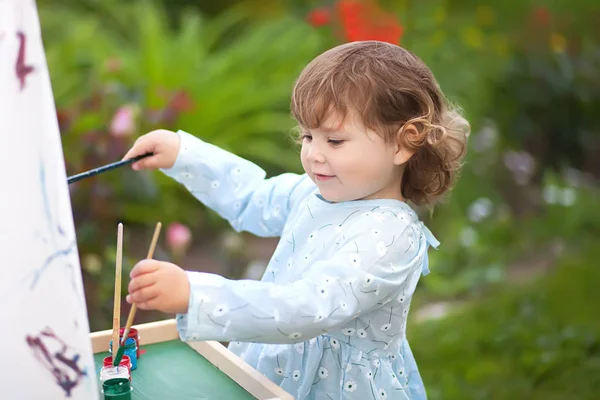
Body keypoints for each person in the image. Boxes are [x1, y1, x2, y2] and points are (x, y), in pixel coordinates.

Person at [123, 40, 469, 400]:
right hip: (276, 370)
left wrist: (197, 295)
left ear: (403, 143)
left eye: (334, 141)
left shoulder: (389, 237)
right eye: (307, 135)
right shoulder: (314, 193)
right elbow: (251, 197)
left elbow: (305, 308)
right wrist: (184, 156)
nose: (314, 154)